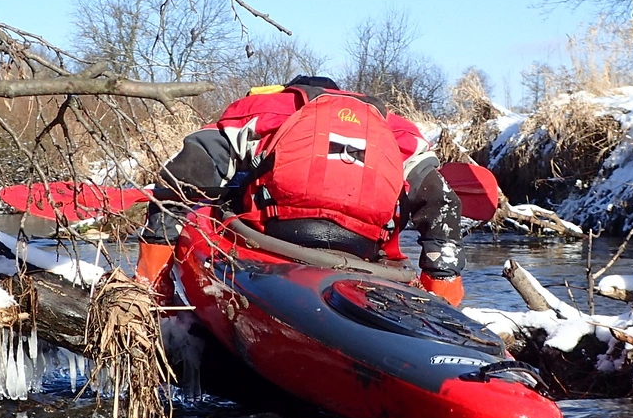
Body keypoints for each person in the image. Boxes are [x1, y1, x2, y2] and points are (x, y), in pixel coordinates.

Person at [135, 76, 465, 305]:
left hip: (274, 242)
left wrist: (155, 281)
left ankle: (153, 297)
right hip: (363, 253)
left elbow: (188, 174)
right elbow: (442, 201)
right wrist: (442, 294)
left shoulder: (270, 108)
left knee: (197, 206)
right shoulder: (396, 128)